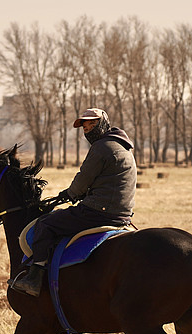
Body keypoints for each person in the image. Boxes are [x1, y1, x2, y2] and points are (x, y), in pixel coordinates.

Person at [11, 108, 136, 297]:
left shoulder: (102, 147)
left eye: (92, 124)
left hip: (98, 211)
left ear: (103, 123)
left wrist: (70, 193)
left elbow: (83, 180)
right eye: (85, 127)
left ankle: (34, 279)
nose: (88, 129)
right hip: (122, 213)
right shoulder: (122, 145)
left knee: (45, 224)